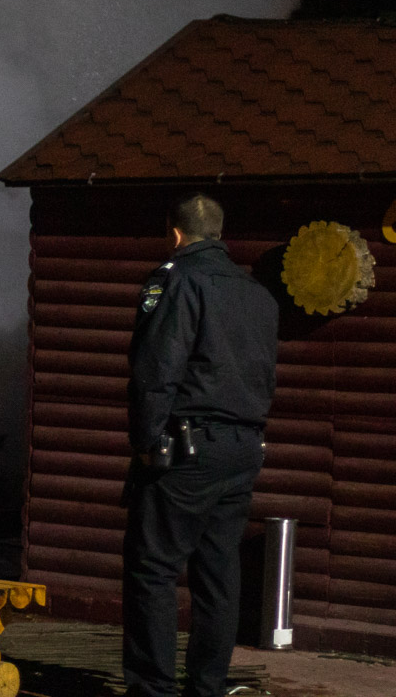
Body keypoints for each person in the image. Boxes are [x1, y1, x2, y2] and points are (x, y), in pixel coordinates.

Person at [122, 193, 279, 697]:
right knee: (218, 572)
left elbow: (156, 368)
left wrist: (146, 441)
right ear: (219, 232)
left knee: (154, 569)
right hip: (244, 447)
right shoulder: (258, 295)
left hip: (188, 446)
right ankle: (207, 688)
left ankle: (153, 690)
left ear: (174, 233)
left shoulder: (176, 280)